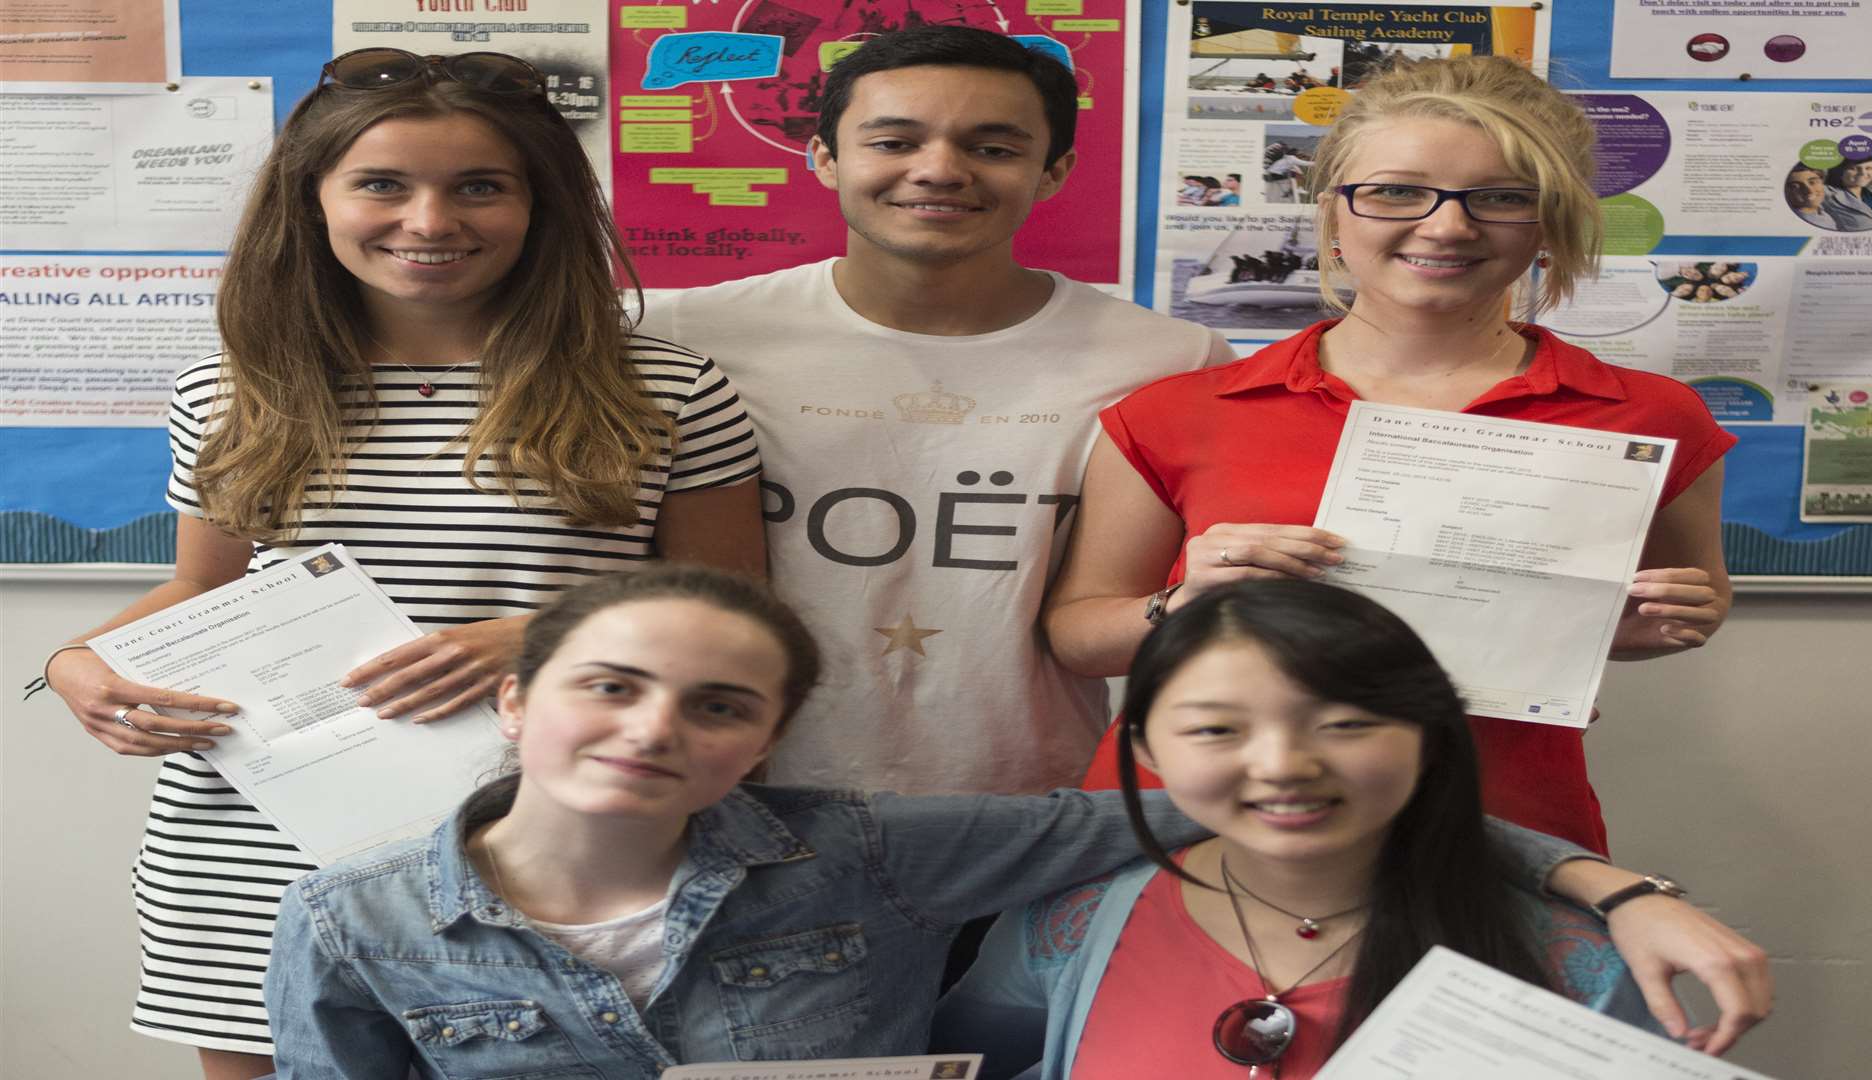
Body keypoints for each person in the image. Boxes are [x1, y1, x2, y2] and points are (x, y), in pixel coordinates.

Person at [267, 569, 1764, 1077]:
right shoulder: (358, 919)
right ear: (516, 702)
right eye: (610, 687)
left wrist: (1614, 888)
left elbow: (1312, 813)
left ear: (769, 741)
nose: (658, 730)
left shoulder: (867, 851)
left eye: (721, 706)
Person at [34, 48, 763, 1079]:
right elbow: (203, 585)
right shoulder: (231, 389)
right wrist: (72, 665)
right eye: (382, 183)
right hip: (256, 841)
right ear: (313, 200)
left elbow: (735, 607)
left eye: (479, 187)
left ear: (539, 203)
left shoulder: (669, 388)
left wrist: (548, 640)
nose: (430, 222)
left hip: (547, 832)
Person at [1047, 55, 1737, 855]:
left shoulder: (1649, 414)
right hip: (1196, 829)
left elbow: (1662, 611)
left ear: (1550, 220)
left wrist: (1660, 620)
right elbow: (1078, 636)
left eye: (1502, 198)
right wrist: (1188, 600)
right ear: (1334, 210)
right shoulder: (1178, 411)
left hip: (1486, 827)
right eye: (1396, 190)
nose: (1447, 225)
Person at [646, 25, 1238, 796]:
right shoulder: (680, 336)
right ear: (824, 158)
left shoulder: (1172, 362)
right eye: (893, 142)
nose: (938, 171)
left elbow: (1116, 618)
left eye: (992, 148)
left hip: (1029, 813)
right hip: (737, 796)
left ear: (1053, 172)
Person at [934, 582, 1767, 1078]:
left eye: (1345, 723)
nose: (1285, 765)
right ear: (1148, 747)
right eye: (1219, 730)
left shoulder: (1573, 959)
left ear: (1429, 736)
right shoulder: (1069, 925)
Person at [1823, 159, 1872, 231]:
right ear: (1839, 171)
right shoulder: (1827, 193)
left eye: (1868, 168)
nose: (1863, 173)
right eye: (1853, 168)